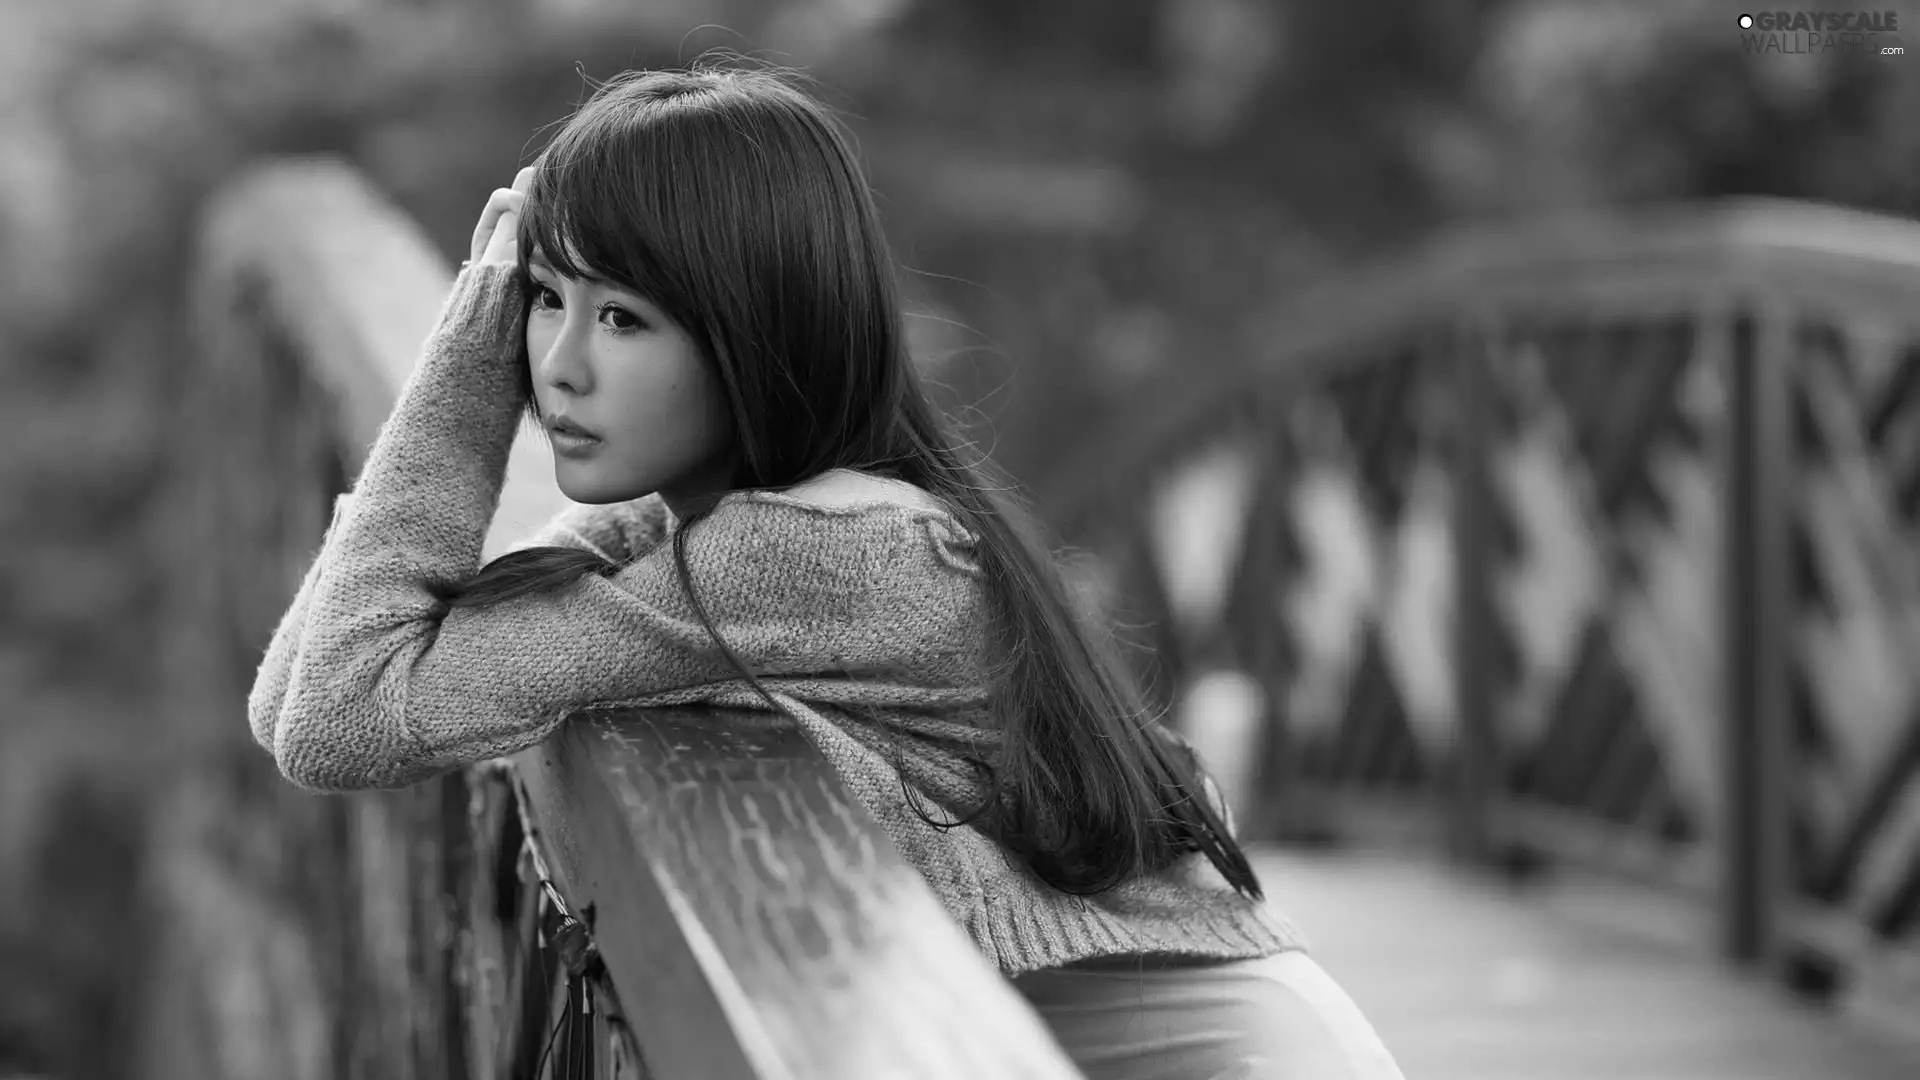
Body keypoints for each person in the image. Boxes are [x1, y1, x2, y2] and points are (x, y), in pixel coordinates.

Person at [247, 63, 1404, 1080]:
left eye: (626, 321)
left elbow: (342, 714)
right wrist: (476, 330)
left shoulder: (798, 556)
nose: (557, 367)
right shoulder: (692, 534)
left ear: (758, 331)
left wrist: (460, 367)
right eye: (541, 301)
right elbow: (299, 695)